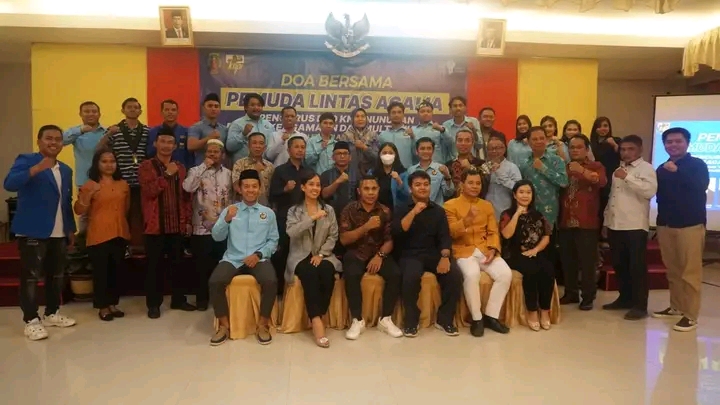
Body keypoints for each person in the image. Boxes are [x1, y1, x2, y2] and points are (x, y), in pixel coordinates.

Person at [4, 125, 77, 340]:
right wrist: (35, 169)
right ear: (39, 141)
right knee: (31, 277)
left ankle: (52, 313)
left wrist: (70, 228)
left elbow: (66, 201)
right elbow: (9, 184)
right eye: (48, 138)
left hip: (59, 231)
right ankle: (31, 320)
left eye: (58, 139)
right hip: (32, 230)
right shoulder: (27, 160)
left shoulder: (65, 169)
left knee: (56, 275)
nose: (53, 142)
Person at [208, 169, 278, 346]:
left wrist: (259, 254)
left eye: (254, 186)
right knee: (215, 281)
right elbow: (216, 237)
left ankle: (262, 325)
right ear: (239, 189)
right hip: (233, 258)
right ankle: (224, 326)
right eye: (246, 186)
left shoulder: (268, 213)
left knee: (270, 281)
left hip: (258, 258)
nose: (250, 190)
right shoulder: (231, 210)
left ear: (260, 189)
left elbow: (273, 240)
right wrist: (227, 219)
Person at [392, 171, 463, 337]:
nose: (422, 188)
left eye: (426, 184)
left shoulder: (438, 211)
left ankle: (444, 319)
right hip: (409, 253)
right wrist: (414, 212)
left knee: (455, 275)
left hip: (433, 253)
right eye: (418, 185)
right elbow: (397, 232)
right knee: (410, 277)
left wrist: (445, 257)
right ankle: (411, 321)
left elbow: (444, 237)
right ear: (410, 189)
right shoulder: (401, 208)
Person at [653, 127, 709, 332]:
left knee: (690, 272)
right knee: (673, 270)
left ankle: (691, 315)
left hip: (690, 225)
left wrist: (678, 171)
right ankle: (676, 307)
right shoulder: (661, 168)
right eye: (669, 142)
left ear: (687, 143)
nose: (673, 145)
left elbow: (701, 186)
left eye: (678, 141)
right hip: (666, 224)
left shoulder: (697, 165)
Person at [445, 167, 512, 337]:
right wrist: (466, 220)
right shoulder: (450, 205)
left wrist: (493, 249)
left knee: (505, 274)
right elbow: (451, 233)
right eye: (471, 183)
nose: (475, 186)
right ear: (462, 184)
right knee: (472, 274)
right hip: (463, 250)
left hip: (484, 249)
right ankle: (477, 318)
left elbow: (493, 231)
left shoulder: (486, 205)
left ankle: (491, 316)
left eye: (478, 183)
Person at [138, 126, 194, 318]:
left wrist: (187, 220)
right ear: (155, 143)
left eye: (170, 142)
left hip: (176, 225)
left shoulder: (180, 167)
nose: (166, 145)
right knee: (154, 267)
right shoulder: (146, 166)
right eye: (162, 141)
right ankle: (153, 304)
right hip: (155, 226)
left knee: (178, 265)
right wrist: (167, 175)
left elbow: (186, 197)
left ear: (175, 146)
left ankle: (178, 299)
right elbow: (149, 191)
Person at [339, 175, 403, 340]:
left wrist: (380, 256)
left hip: (378, 252)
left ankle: (385, 319)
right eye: (366, 189)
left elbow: (389, 240)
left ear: (378, 190)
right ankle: (357, 320)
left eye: (374, 189)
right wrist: (365, 227)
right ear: (359, 191)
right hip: (356, 252)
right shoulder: (349, 209)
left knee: (395, 273)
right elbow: (344, 239)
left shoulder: (385, 211)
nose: (370, 192)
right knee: (351, 272)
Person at [602, 135, 657, 321]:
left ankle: (640, 306)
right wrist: (606, 221)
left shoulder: (646, 168)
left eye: (630, 149)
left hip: (635, 226)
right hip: (615, 224)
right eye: (623, 149)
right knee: (619, 264)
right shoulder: (618, 169)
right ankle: (625, 298)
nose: (626, 153)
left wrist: (628, 177)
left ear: (640, 150)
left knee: (636, 267)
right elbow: (613, 197)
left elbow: (649, 191)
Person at [285, 171, 341, 348]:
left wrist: (321, 254)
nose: (315, 188)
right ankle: (317, 321)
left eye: (318, 185)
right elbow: (291, 232)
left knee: (327, 270)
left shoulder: (329, 210)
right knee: (309, 272)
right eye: (311, 184)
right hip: (300, 255)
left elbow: (333, 236)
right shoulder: (294, 211)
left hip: (323, 254)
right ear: (303, 187)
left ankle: (318, 313)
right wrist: (312, 218)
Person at [74, 149, 130, 321]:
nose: (109, 165)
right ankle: (102, 306)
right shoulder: (90, 184)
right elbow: (79, 210)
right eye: (104, 161)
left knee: (116, 272)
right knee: (101, 273)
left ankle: (113, 304)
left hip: (120, 232)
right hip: (98, 234)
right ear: (97, 164)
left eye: (112, 161)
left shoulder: (123, 184)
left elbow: (127, 208)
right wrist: (88, 196)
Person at [183, 139, 233, 311]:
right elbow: (188, 187)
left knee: (222, 266)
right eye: (209, 151)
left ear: (222, 155)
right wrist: (204, 166)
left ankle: (222, 299)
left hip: (223, 227)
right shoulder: (195, 170)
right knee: (201, 267)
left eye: (216, 152)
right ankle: (202, 300)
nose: (213, 154)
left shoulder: (229, 174)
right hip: (202, 227)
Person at [558, 136, 607, 310]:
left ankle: (588, 296)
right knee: (568, 260)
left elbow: (601, 182)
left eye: (579, 147)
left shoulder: (596, 166)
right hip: (565, 220)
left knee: (587, 262)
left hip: (587, 222)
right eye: (572, 147)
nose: (575, 150)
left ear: (587, 149)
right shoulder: (564, 167)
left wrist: (582, 171)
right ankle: (571, 293)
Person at [499, 180, 555, 331]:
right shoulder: (507, 214)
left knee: (548, 269)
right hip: (513, 254)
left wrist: (535, 250)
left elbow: (546, 237)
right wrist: (517, 213)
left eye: (528, 192)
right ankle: (532, 312)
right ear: (514, 195)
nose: (525, 195)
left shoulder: (538, 214)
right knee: (531, 270)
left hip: (534, 252)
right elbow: (506, 235)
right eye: (521, 192)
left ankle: (545, 311)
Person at [96, 97, 149, 252]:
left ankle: (138, 245)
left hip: (142, 181)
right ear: (123, 110)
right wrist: (108, 134)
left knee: (140, 215)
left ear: (140, 111)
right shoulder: (114, 130)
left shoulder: (147, 131)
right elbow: (98, 150)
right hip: (121, 180)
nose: (133, 109)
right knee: (120, 214)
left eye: (136, 107)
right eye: (129, 107)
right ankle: (121, 246)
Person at [518, 126, 569, 279]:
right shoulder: (524, 162)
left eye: (542, 138)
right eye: (535, 139)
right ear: (528, 142)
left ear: (546, 140)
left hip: (549, 216)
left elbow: (564, 182)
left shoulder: (556, 160)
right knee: (529, 256)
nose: (539, 141)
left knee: (547, 258)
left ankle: (548, 290)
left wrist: (544, 169)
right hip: (529, 215)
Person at [269, 135, 308, 295]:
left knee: (302, 253)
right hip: (284, 218)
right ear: (289, 149)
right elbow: (272, 195)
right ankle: (279, 291)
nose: (300, 150)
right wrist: (284, 190)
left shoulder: (309, 171)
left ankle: (297, 292)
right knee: (282, 254)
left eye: (302, 147)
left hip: (304, 219)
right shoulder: (280, 170)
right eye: (296, 147)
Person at [227, 93, 275, 164]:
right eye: (252, 105)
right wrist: (243, 134)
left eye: (259, 105)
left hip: (264, 167)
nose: (256, 108)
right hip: (243, 167)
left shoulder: (269, 126)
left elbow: (271, 150)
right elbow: (230, 147)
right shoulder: (237, 124)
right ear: (246, 107)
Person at [407, 137, 454, 206]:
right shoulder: (411, 170)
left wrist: (447, 176)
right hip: (416, 209)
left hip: (436, 209)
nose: (426, 151)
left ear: (433, 151)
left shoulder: (441, 168)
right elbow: (409, 193)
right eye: (422, 148)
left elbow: (449, 193)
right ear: (417, 151)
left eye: (429, 148)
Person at [147, 99, 193, 169]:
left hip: (181, 171)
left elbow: (190, 156)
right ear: (161, 112)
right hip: (157, 171)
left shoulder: (186, 132)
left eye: (173, 110)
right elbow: (149, 153)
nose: (170, 112)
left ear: (178, 112)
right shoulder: (153, 132)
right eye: (167, 110)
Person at [484, 136, 521, 219]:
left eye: (497, 148)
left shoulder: (512, 167)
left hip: (505, 209)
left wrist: (500, 173)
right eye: (491, 149)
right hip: (486, 209)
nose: (494, 151)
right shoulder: (484, 166)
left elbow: (518, 188)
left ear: (504, 149)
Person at [232, 132, 274, 205]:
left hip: (265, 207)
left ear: (265, 147)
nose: (258, 146)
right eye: (254, 143)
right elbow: (237, 187)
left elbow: (273, 190)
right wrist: (256, 172)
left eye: (261, 143)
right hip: (244, 206)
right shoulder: (240, 164)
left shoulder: (270, 166)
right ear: (248, 146)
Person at [445, 128, 489, 199]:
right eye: (460, 140)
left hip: (475, 203)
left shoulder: (481, 163)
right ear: (455, 143)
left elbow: (485, 186)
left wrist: (471, 168)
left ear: (472, 143)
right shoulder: (448, 165)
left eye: (467, 140)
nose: (463, 143)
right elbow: (445, 191)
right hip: (452, 203)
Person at [188, 93, 229, 167]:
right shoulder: (196, 127)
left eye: (216, 106)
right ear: (203, 108)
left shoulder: (224, 129)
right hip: (201, 169)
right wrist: (209, 138)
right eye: (210, 106)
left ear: (219, 109)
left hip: (219, 170)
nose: (213, 109)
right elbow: (191, 146)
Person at [320, 141, 357, 218]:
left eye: (345, 153)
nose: (342, 156)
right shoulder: (325, 175)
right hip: (330, 216)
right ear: (333, 157)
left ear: (350, 157)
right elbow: (324, 195)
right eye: (339, 153)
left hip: (353, 216)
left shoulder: (358, 174)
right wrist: (337, 182)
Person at [337, 107, 378, 175]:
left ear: (366, 119)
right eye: (357, 116)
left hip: (369, 173)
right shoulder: (345, 136)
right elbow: (340, 157)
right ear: (352, 119)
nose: (360, 119)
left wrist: (365, 147)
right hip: (350, 173)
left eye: (363, 116)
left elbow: (377, 157)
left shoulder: (373, 135)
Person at [369, 142, 409, 212]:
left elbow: (407, 196)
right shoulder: (372, 172)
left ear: (395, 155)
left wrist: (399, 181)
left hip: (396, 211)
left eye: (390, 153)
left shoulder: (403, 173)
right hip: (375, 211)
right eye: (384, 153)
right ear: (379, 155)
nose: (387, 155)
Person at [379, 102, 415, 168]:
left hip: (406, 171)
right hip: (388, 170)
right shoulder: (382, 135)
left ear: (403, 115)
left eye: (399, 112)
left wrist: (413, 138)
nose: (396, 115)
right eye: (393, 112)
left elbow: (417, 153)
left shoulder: (411, 133)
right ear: (389, 116)